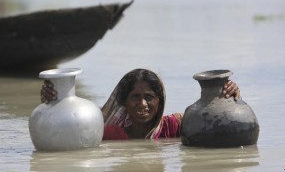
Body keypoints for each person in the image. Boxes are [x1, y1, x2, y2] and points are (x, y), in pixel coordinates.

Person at [41, 69, 240, 140]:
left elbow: (213, 125)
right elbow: (69, 134)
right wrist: (54, 100)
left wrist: (229, 95)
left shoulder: (174, 127)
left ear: (160, 101)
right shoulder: (110, 134)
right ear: (124, 103)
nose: (143, 104)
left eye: (149, 97)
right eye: (135, 97)